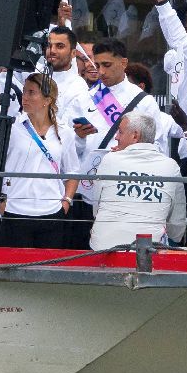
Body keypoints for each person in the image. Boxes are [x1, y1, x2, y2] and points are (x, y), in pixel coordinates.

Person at [69, 37, 162, 244]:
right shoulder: (84, 99)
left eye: (107, 65)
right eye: (97, 65)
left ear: (124, 63)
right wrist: (80, 137)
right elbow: (70, 149)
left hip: (127, 189)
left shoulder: (144, 102)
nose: (101, 71)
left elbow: (157, 148)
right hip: (88, 187)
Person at [0, 73, 80, 248]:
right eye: (24, 91)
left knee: (48, 270)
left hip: (52, 212)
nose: (24, 97)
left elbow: (73, 172)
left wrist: (66, 201)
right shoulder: (11, 127)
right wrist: (1, 201)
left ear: (48, 100)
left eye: (31, 92)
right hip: (14, 211)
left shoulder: (64, 132)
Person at [89, 112, 186, 250]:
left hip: (103, 247)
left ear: (135, 135)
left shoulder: (109, 160)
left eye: (120, 132)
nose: (116, 137)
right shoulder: (171, 167)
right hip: (148, 251)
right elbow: (177, 225)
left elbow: (96, 209)